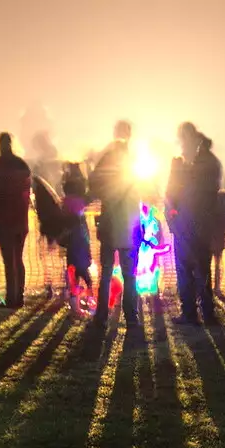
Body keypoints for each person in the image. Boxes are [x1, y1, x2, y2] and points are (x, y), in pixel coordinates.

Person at [90, 120, 143, 333]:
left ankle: (102, 316)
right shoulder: (134, 161)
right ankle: (131, 317)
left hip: (111, 225)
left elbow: (94, 184)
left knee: (106, 273)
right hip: (129, 226)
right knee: (130, 275)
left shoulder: (107, 159)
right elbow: (145, 188)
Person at [171, 123, 222, 325]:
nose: (181, 145)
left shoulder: (204, 163)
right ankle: (195, 313)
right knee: (192, 271)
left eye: (182, 140)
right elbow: (171, 193)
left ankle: (201, 313)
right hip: (189, 225)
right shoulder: (197, 161)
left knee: (199, 270)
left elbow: (203, 194)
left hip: (196, 225)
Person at [0, 132, 32, 308]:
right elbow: (27, 190)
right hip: (21, 219)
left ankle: (11, 297)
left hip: (5, 220)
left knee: (8, 261)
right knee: (19, 259)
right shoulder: (22, 164)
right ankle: (19, 296)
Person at [61, 161, 94, 314]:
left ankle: (75, 303)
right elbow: (91, 193)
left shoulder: (65, 203)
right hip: (79, 244)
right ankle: (85, 303)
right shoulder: (78, 203)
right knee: (83, 275)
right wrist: (89, 169)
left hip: (72, 245)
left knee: (73, 273)